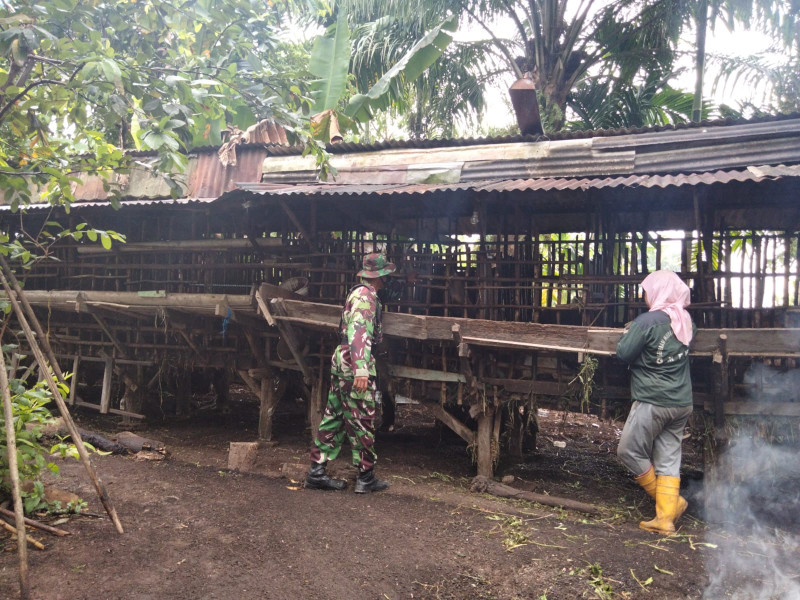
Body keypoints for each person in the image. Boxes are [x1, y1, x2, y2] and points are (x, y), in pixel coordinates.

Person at [305, 252, 395, 493]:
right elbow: (359, 332)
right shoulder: (366, 297)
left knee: (334, 415)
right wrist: (361, 369)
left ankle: (316, 472)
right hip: (354, 361)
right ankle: (366, 476)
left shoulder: (358, 293)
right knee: (362, 417)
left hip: (343, 360)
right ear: (380, 276)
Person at [616, 270, 695, 535]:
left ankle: (674, 504)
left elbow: (623, 353)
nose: (645, 296)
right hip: (681, 402)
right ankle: (665, 519)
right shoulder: (686, 320)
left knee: (628, 452)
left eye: (647, 291)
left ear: (659, 291)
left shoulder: (646, 322)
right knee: (668, 459)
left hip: (653, 400)